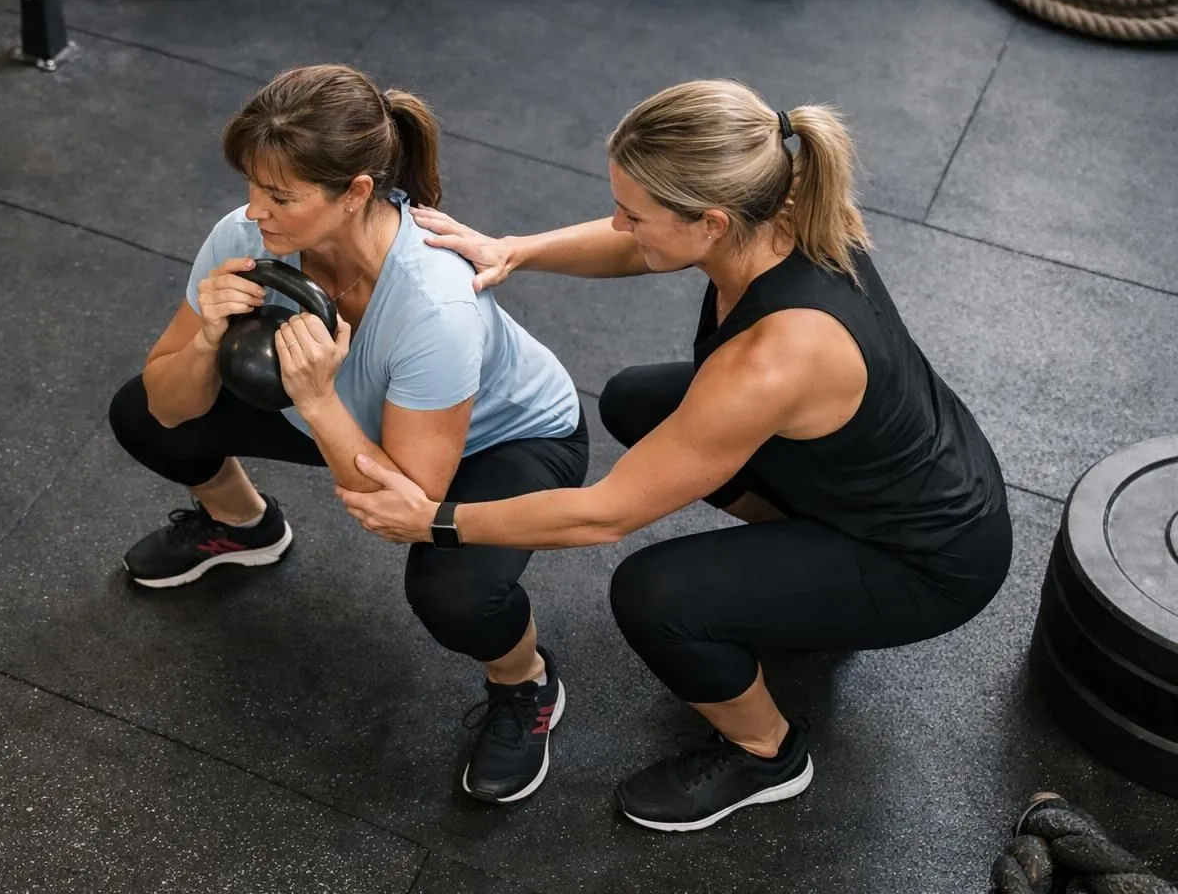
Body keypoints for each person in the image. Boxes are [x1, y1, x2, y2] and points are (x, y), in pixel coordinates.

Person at [335, 78, 1014, 833]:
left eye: (634, 212)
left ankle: (768, 753)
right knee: (636, 399)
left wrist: (434, 520)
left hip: (926, 560)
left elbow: (603, 516)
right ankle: (790, 577)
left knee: (657, 596)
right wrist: (516, 250)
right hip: (893, 481)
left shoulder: (770, 362)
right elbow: (645, 248)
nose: (620, 224)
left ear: (712, 222)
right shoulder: (784, 207)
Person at [107, 64, 589, 805]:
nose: (254, 211)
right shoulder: (244, 237)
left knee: (453, 594)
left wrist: (319, 399)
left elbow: (404, 507)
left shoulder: (434, 304)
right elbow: (168, 405)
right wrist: (207, 337)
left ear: (356, 191)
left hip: (504, 441)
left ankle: (527, 685)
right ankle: (245, 525)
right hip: (345, 407)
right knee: (140, 414)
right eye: (252, 186)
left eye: (279, 195)